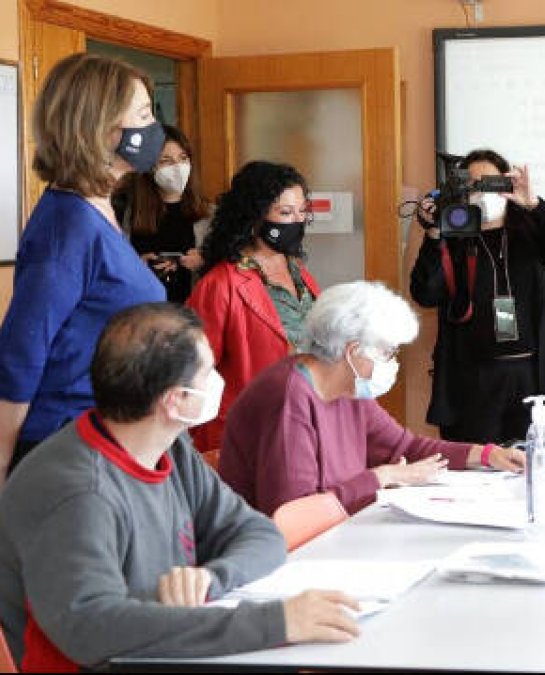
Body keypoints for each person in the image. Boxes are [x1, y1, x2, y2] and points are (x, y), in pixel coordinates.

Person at [0, 302, 362, 672]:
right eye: (208, 373)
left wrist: (210, 578)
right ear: (175, 401)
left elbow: (260, 534)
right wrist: (276, 623)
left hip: (158, 651)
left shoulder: (171, 450)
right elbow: (92, 629)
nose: (216, 381)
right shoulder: (77, 490)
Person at [220, 281, 526, 517]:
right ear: (353, 351)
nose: (391, 362)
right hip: (290, 557)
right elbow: (294, 512)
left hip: (336, 535)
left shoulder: (350, 387)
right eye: (387, 352)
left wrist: (486, 455)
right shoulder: (288, 396)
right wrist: (381, 478)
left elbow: (405, 447)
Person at [0, 54, 167, 485]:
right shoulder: (68, 225)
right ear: (99, 125)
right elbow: (22, 351)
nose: (153, 130)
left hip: (108, 436)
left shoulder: (100, 209)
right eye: (143, 115)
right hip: (66, 448)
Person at [410, 150, 545, 443]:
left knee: (533, 464)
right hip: (474, 382)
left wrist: (534, 205)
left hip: (535, 375)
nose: (482, 192)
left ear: (506, 186)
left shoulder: (531, 226)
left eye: (489, 183)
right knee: (476, 473)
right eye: (473, 185)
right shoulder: (454, 236)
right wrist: (434, 233)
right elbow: (426, 293)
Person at [187, 161, 321, 455]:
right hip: (246, 433)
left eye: (301, 212)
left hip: (303, 422)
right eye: (285, 213)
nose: (296, 222)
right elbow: (194, 372)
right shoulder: (220, 284)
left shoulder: (298, 270)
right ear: (254, 216)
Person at [113, 124, 210, 303]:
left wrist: (205, 260)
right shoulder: (124, 212)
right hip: (144, 313)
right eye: (166, 161)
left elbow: (229, 266)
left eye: (183, 158)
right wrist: (137, 266)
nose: (177, 167)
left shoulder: (208, 215)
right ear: (149, 167)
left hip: (192, 314)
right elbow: (111, 267)